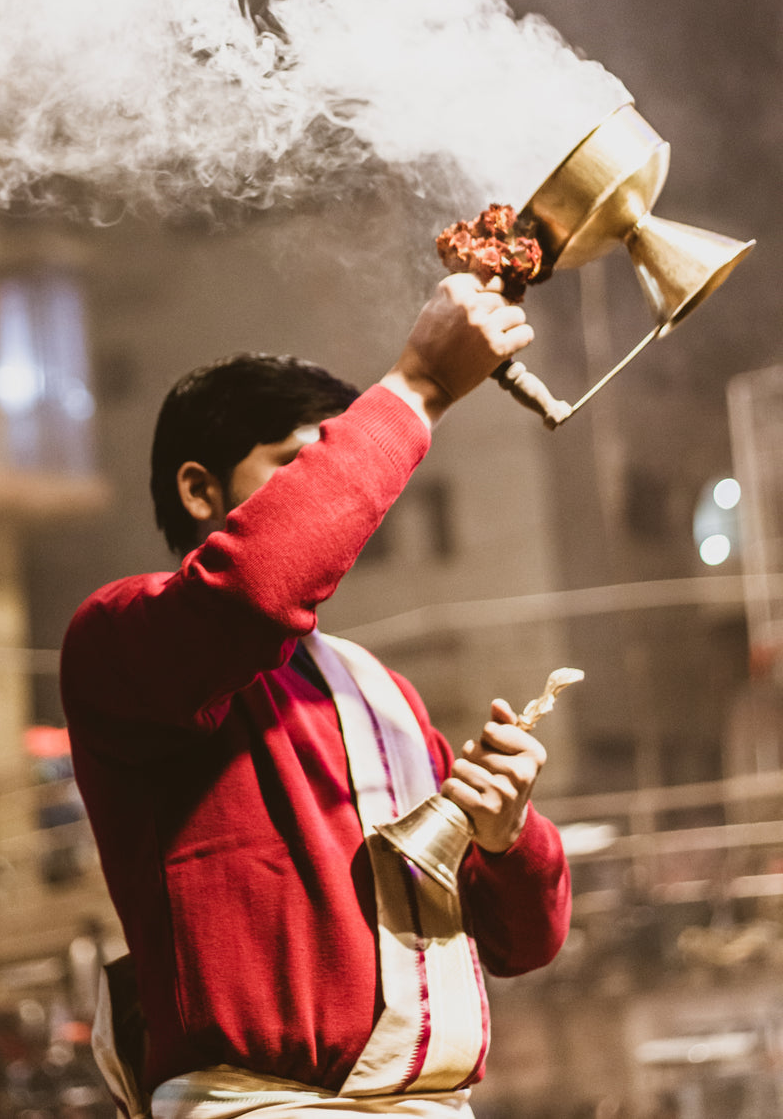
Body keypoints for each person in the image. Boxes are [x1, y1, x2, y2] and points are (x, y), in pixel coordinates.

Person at [61, 273, 572, 1119]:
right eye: (302, 465)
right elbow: (256, 589)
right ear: (200, 491)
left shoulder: (381, 693)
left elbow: (525, 941)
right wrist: (416, 388)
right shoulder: (120, 635)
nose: (345, 495)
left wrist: (507, 832)